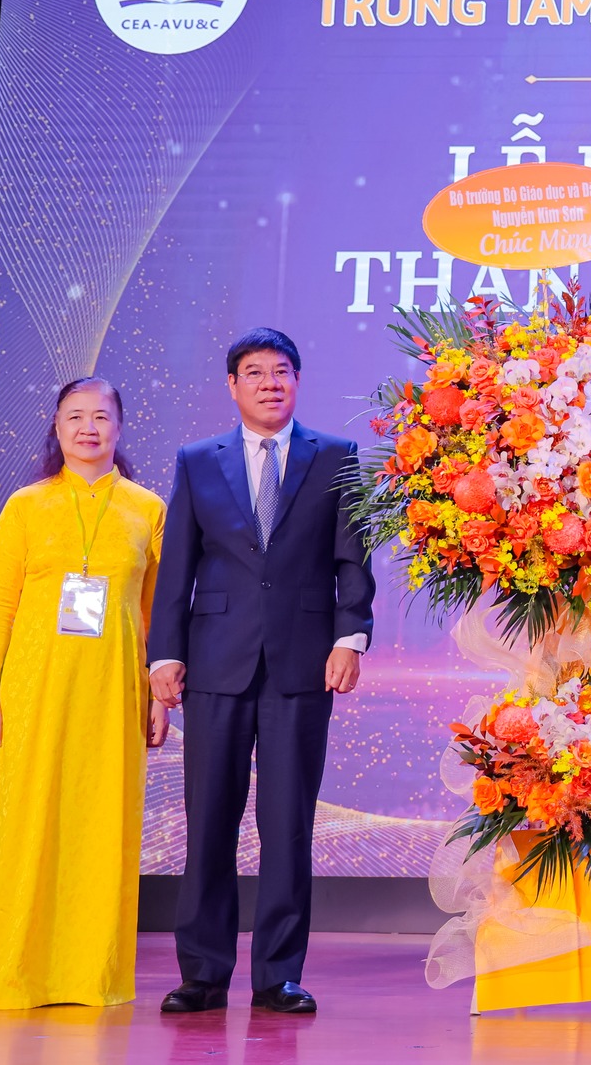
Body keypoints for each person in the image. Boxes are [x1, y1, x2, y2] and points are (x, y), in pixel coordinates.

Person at [147, 328, 375, 1015]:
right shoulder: (198, 460)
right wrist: (165, 653)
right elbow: (178, 566)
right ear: (232, 384)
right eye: (254, 372)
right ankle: (202, 973)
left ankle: (278, 974)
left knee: (288, 824)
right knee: (208, 821)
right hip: (215, 661)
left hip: (303, 663)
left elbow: (352, 561)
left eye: (281, 371)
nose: (269, 382)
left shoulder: (336, 456)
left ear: (297, 381)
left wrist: (351, 638)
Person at [0, 377, 168, 1009]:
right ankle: (12, 973)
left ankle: (87, 973)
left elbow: (157, 619)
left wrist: (159, 695)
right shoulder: (26, 506)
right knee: (26, 826)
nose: (88, 428)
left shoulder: (148, 510)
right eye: (75, 417)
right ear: (56, 426)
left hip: (112, 694)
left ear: (119, 426)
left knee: (100, 827)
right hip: (33, 692)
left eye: (101, 416)